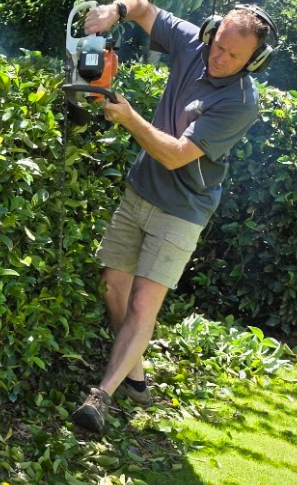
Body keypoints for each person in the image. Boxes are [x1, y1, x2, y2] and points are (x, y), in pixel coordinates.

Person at [71, 1, 278, 433]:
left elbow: (174, 155)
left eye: (232, 56)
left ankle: (101, 396)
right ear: (212, 33)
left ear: (254, 62)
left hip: (182, 209)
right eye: (218, 46)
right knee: (113, 286)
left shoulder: (241, 102)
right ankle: (135, 376)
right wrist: (116, 11)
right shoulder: (194, 42)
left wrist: (129, 118)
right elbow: (145, 9)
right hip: (140, 190)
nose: (219, 58)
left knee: (145, 302)